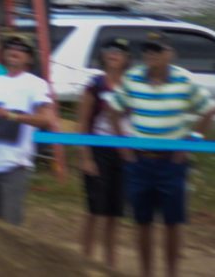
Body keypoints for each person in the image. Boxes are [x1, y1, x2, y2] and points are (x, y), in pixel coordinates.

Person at [112, 31, 214, 277]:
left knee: (172, 223)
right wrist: (123, 146)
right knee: (142, 223)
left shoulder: (183, 81)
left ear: (170, 54)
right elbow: (113, 109)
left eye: (157, 50)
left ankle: (172, 273)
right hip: (140, 161)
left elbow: (209, 110)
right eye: (147, 50)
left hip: (172, 164)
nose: (151, 55)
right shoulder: (132, 78)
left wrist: (191, 142)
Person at [0, 30, 64, 225]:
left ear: (29, 57)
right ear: (3, 52)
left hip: (14, 166)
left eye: (21, 49)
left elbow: (47, 119)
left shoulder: (36, 84)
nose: (15, 51)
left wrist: (12, 115)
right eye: (11, 47)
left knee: (10, 228)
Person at [77, 35, 135, 271]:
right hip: (99, 149)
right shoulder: (95, 86)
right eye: (110, 49)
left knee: (114, 214)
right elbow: (82, 124)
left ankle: (110, 265)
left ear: (126, 59)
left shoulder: (133, 87)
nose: (114, 54)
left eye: (119, 51)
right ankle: (83, 263)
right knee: (94, 211)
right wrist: (86, 157)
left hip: (123, 153)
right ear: (103, 55)